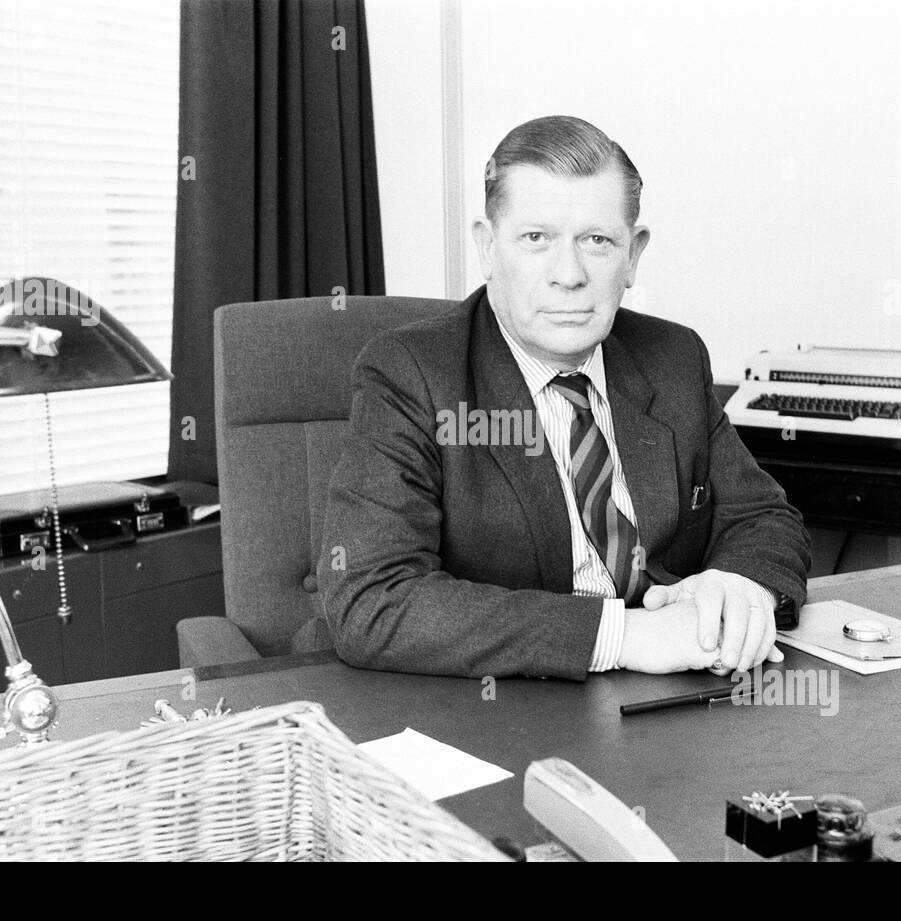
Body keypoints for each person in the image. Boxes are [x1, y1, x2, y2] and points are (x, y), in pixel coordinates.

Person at [318, 115, 810, 681]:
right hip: (500, 709)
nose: (569, 274)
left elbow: (764, 518)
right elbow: (373, 597)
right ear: (487, 246)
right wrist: (622, 636)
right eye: (537, 239)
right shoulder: (414, 375)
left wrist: (741, 587)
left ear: (634, 256)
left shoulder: (672, 357)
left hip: (676, 701)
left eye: (597, 242)